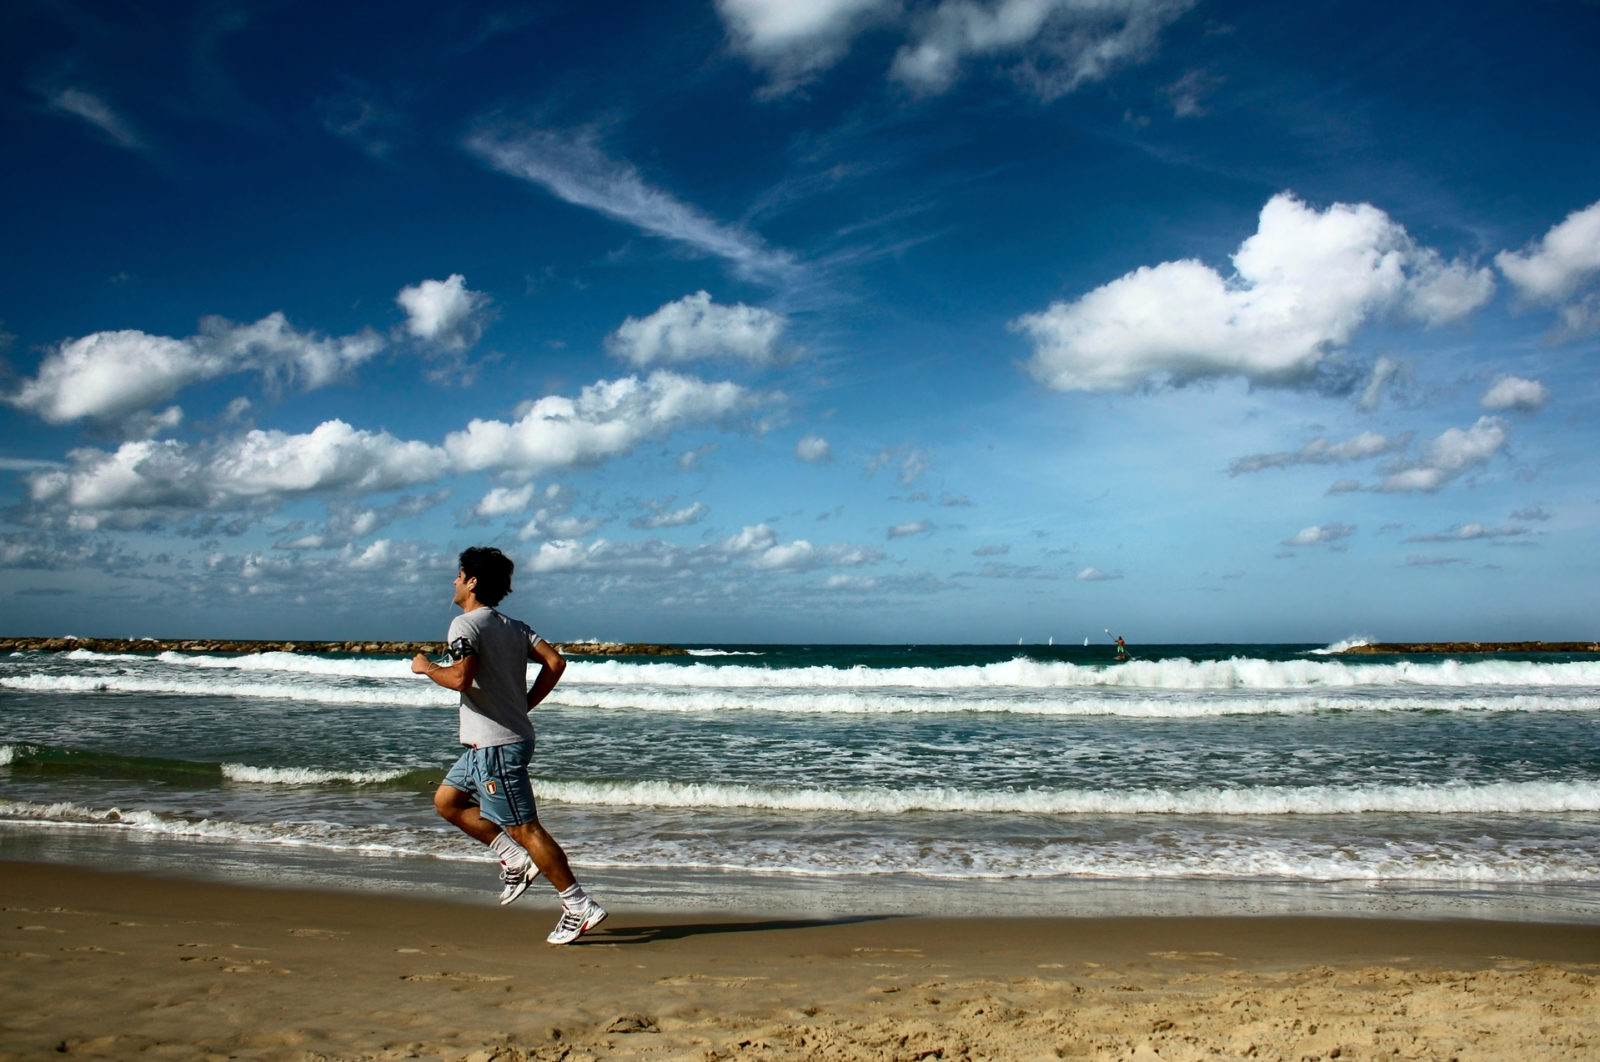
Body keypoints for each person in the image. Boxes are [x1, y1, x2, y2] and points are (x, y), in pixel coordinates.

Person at [410, 546, 607, 945]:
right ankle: (513, 858)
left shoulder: (464, 626)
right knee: (447, 801)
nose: (454, 581)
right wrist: (524, 704)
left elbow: (461, 678)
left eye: (458, 574)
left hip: (496, 747)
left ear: (472, 581)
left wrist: (427, 667)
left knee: (526, 828)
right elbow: (556, 662)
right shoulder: (514, 626)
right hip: (490, 745)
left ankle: (577, 904)